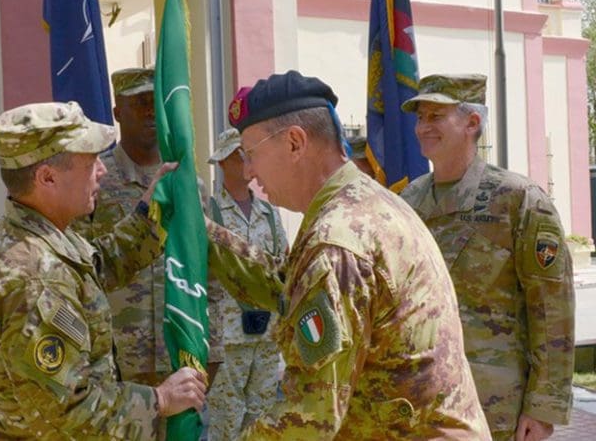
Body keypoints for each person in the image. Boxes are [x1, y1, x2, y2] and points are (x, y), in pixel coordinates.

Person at [206, 71, 491, 439]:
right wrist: (202, 232)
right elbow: (287, 286)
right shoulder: (366, 203)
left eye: (251, 153)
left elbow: (307, 420)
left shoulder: (336, 241)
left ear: (294, 142)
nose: (248, 171)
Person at [0, 101, 206, 440]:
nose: (102, 171)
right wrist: (160, 400)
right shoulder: (36, 277)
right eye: (90, 161)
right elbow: (68, 410)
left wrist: (150, 215)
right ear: (47, 177)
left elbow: (98, 266)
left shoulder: (30, 235)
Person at [400, 74, 575, 441]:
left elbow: (551, 307)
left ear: (472, 122)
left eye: (435, 116)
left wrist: (543, 407)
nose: (423, 127)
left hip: (494, 406)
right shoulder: (408, 201)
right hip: (421, 401)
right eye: (420, 117)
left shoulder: (517, 199)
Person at [72, 68, 223, 389]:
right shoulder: (95, 180)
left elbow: (209, 269)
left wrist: (214, 345)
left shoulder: (187, 185)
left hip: (180, 353)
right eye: (139, 103)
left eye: (156, 103)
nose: (151, 111)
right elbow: (79, 266)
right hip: (114, 361)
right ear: (117, 112)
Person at [205, 127, 288, 440]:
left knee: (263, 418)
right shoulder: (209, 212)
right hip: (228, 336)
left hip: (267, 333)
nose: (247, 163)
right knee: (226, 421)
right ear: (224, 161)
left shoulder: (269, 213)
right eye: (240, 155)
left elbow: (282, 267)